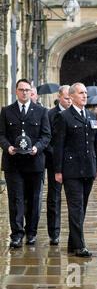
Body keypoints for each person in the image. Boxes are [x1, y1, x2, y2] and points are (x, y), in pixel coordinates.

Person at [0, 78, 51, 248]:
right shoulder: (6, 111)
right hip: (13, 163)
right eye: (21, 89)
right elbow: (1, 135)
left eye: (27, 90)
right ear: (16, 91)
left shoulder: (41, 111)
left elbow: (46, 136)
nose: (24, 93)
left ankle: (31, 232)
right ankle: (16, 234)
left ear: (31, 92)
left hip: (34, 162)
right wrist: (7, 147)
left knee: (33, 199)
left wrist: (37, 147)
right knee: (16, 199)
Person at [53, 82, 97, 257]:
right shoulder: (64, 116)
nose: (84, 96)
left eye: (85, 93)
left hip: (88, 168)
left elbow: (96, 142)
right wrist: (58, 170)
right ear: (71, 96)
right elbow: (59, 145)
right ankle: (80, 246)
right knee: (76, 207)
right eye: (81, 93)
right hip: (71, 169)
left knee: (83, 207)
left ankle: (73, 243)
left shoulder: (92, 115)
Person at [44, 85, 72, 246]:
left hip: (72, 163)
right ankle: (54, 232)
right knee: (54, 198)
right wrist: (56, 155)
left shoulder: (74, 113)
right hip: (54, 162)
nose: (69, 101)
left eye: (70, 98)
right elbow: (47, 138)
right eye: (67, 98)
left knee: (73, 199)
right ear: (60, 97)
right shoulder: (49, 114)